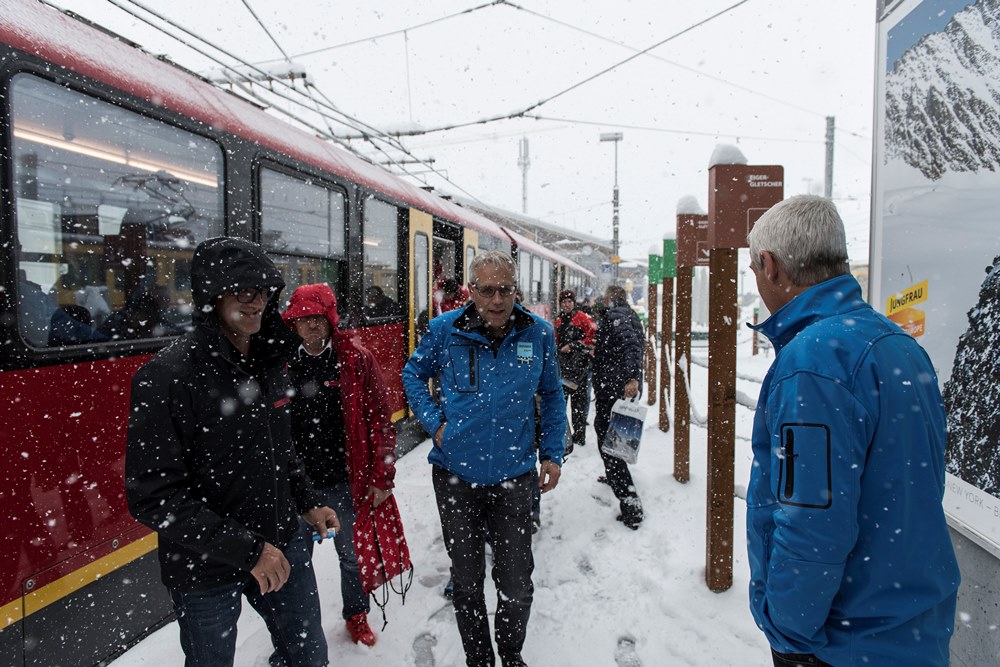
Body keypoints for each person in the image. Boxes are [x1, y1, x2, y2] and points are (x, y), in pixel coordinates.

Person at [745, 195, 960, 667]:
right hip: (912, 630)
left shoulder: (813, 362)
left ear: (771, 266)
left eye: (755, 269)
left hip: (845, 642)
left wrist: (787, 631)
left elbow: (811, 523)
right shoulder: (898, 344)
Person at [125, 237, 339, 667]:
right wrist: (249, 550)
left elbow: (281, 447)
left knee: (309, 657)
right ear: (212, 295)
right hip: (205, 568)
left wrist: (308, 501)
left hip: (282, 542)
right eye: (242, 290)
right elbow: (153, 496)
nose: (256, 301)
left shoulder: (269, 362)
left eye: (263, 291)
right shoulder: (167, 377)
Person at [402, 250, 565, 667]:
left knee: (517, 584)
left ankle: (510, 654)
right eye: (487, 290)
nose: (497, 300)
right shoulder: (445, 330)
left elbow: (551, 393)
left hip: (515, 477)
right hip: (456, 478)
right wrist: (435, 424)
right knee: (467, 582)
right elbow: (413, 375)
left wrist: (551, 453)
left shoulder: (538, 334)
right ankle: (479, 660)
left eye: (505, 290)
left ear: (516, 290)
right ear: (471, 291)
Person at [280, 283, 397, 648]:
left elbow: (380, 419)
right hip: (296, 486)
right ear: (293, 324)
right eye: (303, 319)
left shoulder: (355, 360)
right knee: (296, 564)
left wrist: (382, 476)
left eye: (318, 317)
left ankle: (356, 614)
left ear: (330, 319)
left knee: (351, 557)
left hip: (344, 481)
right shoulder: (281, 363)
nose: (311, 325)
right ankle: (300, 629)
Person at [591, 284, 644, 529]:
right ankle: (616, 478)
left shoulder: (616, 316)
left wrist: (631, 378)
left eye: (605, 297)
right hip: (617, 386)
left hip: (614, 388)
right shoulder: (628, 314)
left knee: (609, 442)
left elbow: (631, 346)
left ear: (611, 298)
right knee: (615, 439)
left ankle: (629, 501)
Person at [554, 289, 597, 453]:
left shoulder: (582, 318)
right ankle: (564, 436)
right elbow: (556, 341)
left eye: (569, 302)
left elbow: (592, 338)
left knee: (578, 405)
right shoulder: (559, 320)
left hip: (580, 369)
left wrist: (573, 346)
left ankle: (579, 438)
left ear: (574, 303)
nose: (566, 305)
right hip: (563, 369)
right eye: (564, 302)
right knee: (561, 404)